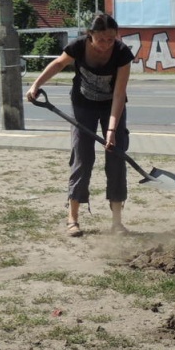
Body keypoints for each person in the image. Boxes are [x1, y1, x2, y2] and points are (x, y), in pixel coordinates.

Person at [25, 13, 135, 238]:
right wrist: (36, 85)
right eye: (101, 39)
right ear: (90, 35)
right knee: (82, 159)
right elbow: (58, 64)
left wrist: (112, 131)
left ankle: (117, 222)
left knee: (116, 158)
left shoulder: (122, 53)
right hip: (83, 106)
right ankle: (73, 219)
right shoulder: (77, 47)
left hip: (111, 108)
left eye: (111, 39)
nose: (106, 45)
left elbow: (118, 94)